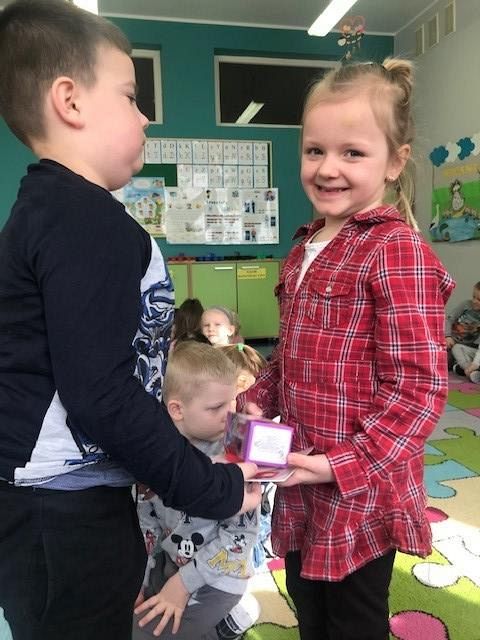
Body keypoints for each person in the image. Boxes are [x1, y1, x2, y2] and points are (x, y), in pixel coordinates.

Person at [0, 3, 260, 640]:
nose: (145, 117)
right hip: (62, 511)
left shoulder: (53, 210)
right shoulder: (84, 220)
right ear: (70, 101)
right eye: (130, 96)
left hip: (58, 502)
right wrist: (213, 487)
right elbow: (102, 392)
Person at [240, 58, 455, 640]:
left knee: (353, 620)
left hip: (359, 486)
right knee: (309, 605)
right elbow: (292, 354)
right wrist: (257, 398)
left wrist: (342, 465)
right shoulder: (304, 246)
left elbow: (419, 390)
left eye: (352, 153)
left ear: (396, 161)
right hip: (301, 471)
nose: (328, 168)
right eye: (315, 151)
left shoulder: (396, 250)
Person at [133, 342, 260, 640]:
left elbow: (239, 538)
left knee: (146, 635)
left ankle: (225, 620)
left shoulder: (234, 458)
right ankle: (224, 625)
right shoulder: (158, 455)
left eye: (232, 402)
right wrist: (139, 580)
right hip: (172, 563)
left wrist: (182, 585)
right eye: (216, 407)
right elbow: (146, 521)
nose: (229, 415)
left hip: (217, 577)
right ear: (177, 409)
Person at [445, 281, 480, 382]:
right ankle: (466, 369)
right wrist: (447, 336)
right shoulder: (465, 305)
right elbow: (449, 319)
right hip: (450, 342)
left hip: (465, 347)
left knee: (457, 350)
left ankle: (467, 370)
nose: (474, 301)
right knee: (444, 363)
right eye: (474, 297)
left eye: (479, 300)